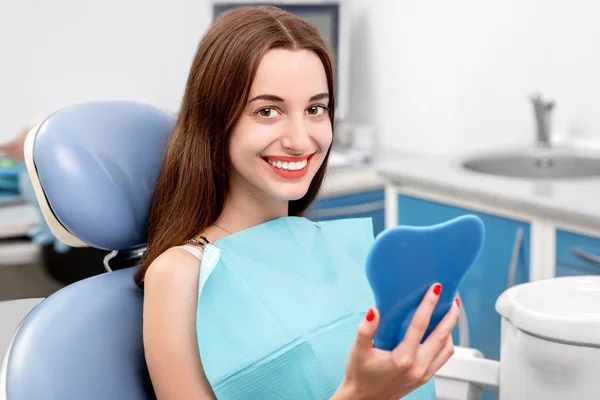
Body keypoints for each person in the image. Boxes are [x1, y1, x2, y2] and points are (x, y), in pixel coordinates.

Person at [138, 6, 459, 400]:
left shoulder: (333, 246)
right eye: (267, 111)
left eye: (315, 109)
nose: (301, 140)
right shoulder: (180, 276)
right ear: (214, 119)